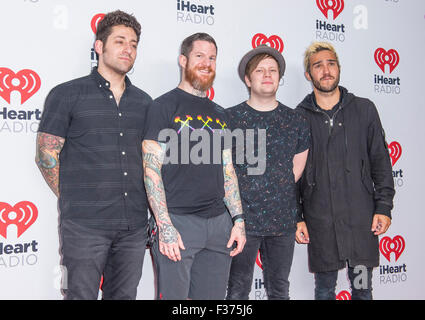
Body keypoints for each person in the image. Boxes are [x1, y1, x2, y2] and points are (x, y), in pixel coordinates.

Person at [35, 10, 152, 300]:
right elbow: (46, 153)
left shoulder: (145, 102)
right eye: (120, 41)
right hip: (85, 226)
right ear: (99, 46)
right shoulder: (67, 94)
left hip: (134, 227)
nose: (128, 49)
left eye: (134, 44)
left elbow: (151, 161)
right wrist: (74, 197)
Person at [142, 32, 246, 300]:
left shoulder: (221, 113)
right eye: (199, 56)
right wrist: (164, 225)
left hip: (218, 225)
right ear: (183, 60)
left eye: (212, 58)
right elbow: (151, 170)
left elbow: (228, 170)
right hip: (178, 224)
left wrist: (238, 221)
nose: (206, 63)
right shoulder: (163, 106)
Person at [295, 41, 395, 300]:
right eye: (318, 66)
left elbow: (381, 162)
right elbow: (291, 175)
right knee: (325, 289)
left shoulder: (364, 110)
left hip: (361, 222)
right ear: (309, 74)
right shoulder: (298, 118)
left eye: (331, 64)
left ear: (339, 69)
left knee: (362, 288)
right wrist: (298, 216)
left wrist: (383, 208)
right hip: (321, 223)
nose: (325, 70)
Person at [225, 45, 310, 300]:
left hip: (283, 222)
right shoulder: (230, 118)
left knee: (279, 288)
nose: (267, 74)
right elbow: (224, 170)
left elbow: (296, 168)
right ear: (248, 79)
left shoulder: (296, 120)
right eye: (260, 70)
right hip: (241, 221)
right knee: (238, 289)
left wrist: (274, 189)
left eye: (272, 70)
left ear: (279, 78)